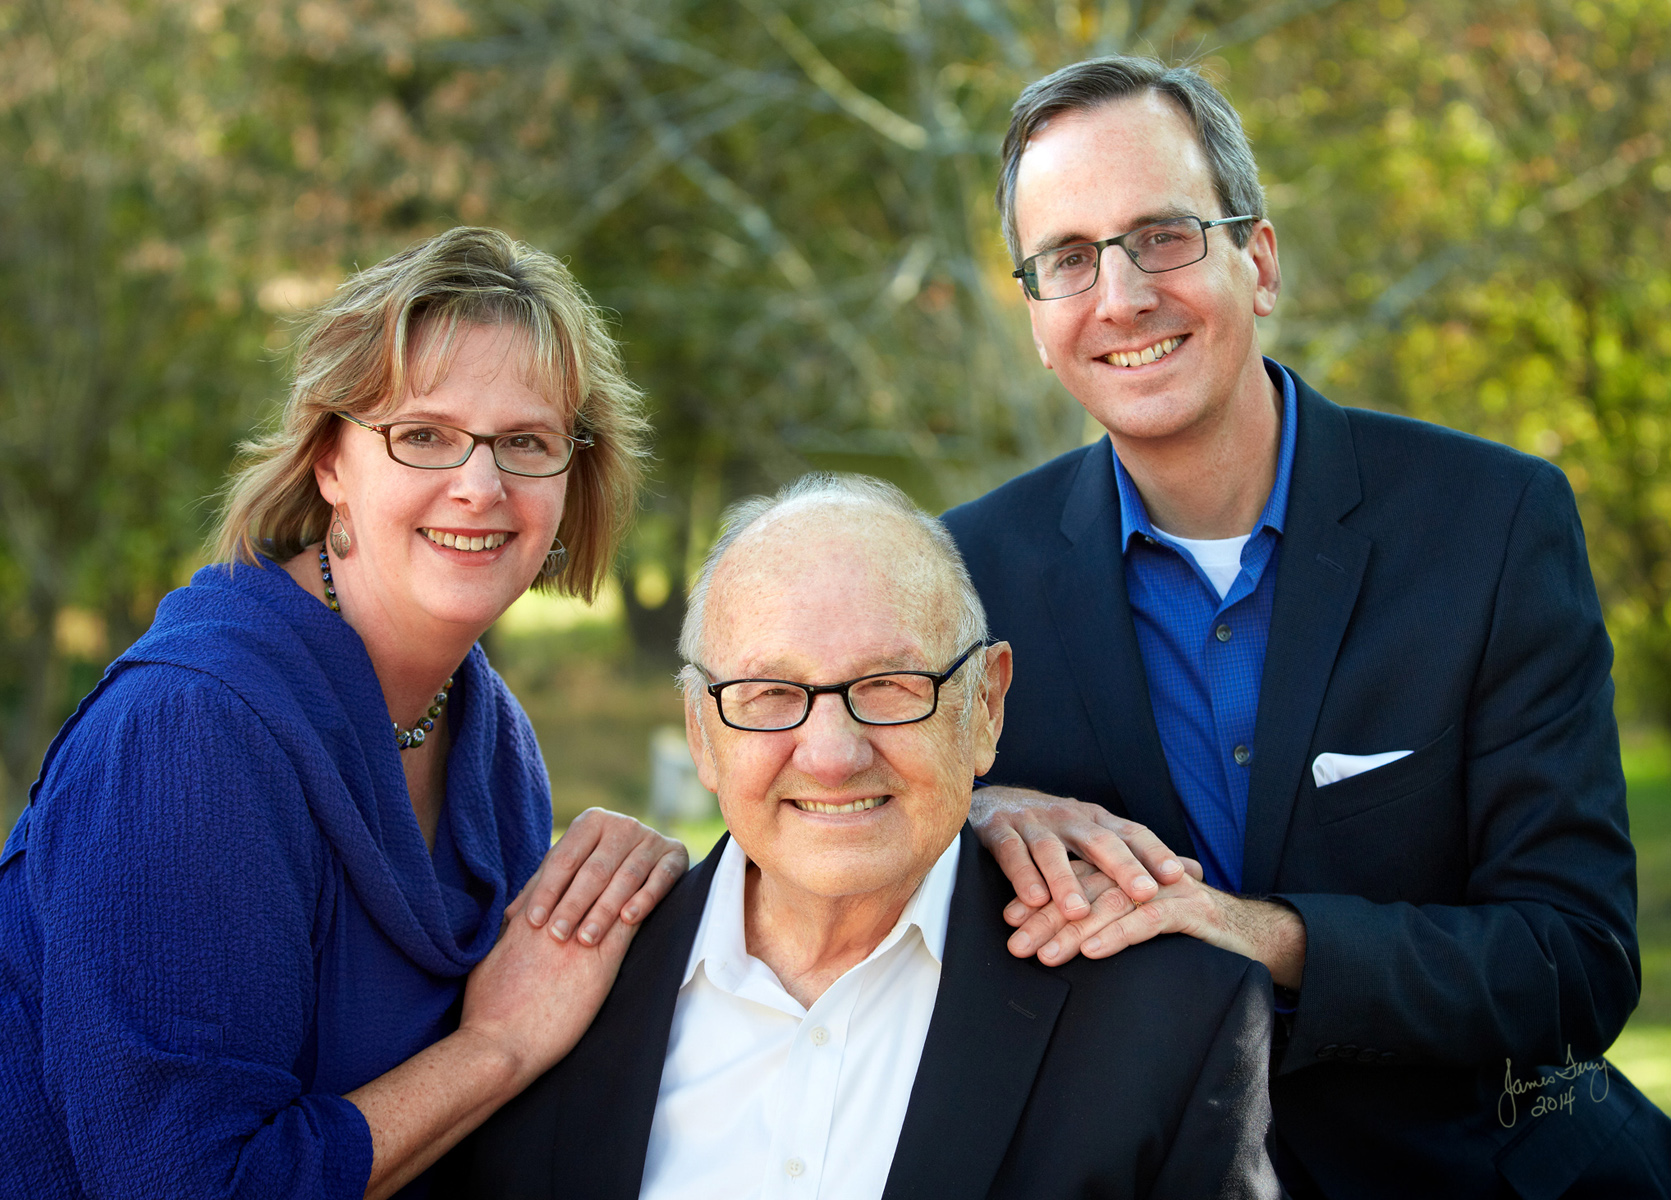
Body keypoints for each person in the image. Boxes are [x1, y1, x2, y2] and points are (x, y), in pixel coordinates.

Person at [940, 55, 1671, 1197]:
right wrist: (968, 808)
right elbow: (835, 842)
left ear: (1259, 261)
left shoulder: (1492, 524)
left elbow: (1574, 962)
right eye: (1068, 260)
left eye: (1164, 234)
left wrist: (1264, 936)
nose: (1122, 295)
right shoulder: (964, 576)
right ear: (1038, 319)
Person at [0, 227, 691, 1200]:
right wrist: (497, 1045)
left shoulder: (493, 752)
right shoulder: (193, 734)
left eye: (526, 443)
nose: (481, 486)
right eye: (425, 435)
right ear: (331, 464)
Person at [440, 474, 1280, 1200]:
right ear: (700, 732)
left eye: (889, 685)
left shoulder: (1171, 1020)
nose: (834, 756)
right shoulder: (552, 990)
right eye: (769, 692)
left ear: (985, 706)